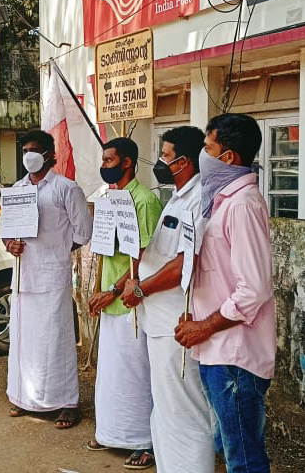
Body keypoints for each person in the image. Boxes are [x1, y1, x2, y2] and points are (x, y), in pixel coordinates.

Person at [175, 113, 275, 473]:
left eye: (208, 147)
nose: (202, 155)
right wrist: (197, 314)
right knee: (231, 448)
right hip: (218, 349)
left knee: (244, 459)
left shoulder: (243, 204)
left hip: (235, 355)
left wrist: (206, 326)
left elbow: (254, 288)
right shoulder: (221, 201)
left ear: (228, 157)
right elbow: (219, 273)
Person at [120, 127, 214, 472]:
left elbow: (183, 264)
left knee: (183, 410)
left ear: (185, 162)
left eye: (166, 155)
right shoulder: (175, 197)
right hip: (158, 320)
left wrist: (140, 289)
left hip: (176, 320)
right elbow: (158, 254)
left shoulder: (199, 198)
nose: (160, 161)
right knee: (165, 410)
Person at [3, 130, 92, 429]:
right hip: (23, 275)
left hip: (53, 276)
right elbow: (7, 231)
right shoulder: (16, 190)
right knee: (24, 340)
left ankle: (67, 403)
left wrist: (58, 249)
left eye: (35, 149)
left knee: (56, 339)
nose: (29, 155)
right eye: (25, 150)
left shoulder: (67, 188)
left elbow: (83, 232)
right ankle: (24, 397)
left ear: (50, 155)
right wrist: (10, 244)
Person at [87, 137, 162, 469]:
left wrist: (113, 290)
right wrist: (95, 289)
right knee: (111, 373)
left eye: (109, 160)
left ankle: (145, 441)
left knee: (137, 373)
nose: (104, 165)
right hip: (109, 301)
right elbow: (103, 251)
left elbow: (143, 255)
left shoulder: (144, 200)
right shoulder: (107, 199)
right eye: (103, 160)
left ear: (127, 162)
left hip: (132, 302)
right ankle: (111, 432)